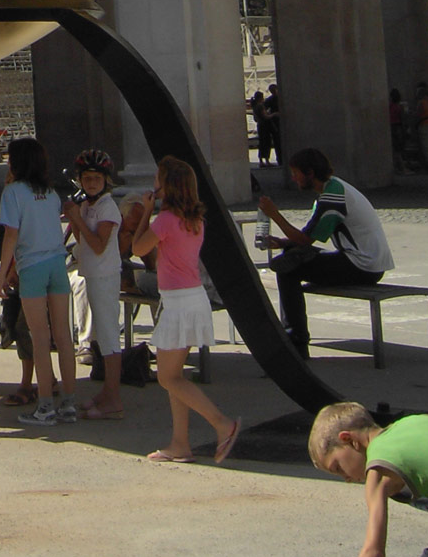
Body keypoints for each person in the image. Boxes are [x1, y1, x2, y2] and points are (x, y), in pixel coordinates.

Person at [131, 155, 240, 464]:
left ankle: (222, 423)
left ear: (167, 186)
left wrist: (146, 211)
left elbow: (138, 248)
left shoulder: (166, 219)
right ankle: (180, 443)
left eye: (159, 178)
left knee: (168, 378)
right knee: (175, 376)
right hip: (191, 299)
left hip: (179, 303)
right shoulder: (195, 219)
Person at [258, 146, 393, 360]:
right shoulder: (332, 189)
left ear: (310, 173)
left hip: (363, 266)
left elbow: (305, 239)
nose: (293, 178)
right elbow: (309, 236)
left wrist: (274, 214)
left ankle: (297, 341)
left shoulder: (333, 197)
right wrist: (284, 243)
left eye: (295, 173)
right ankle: (295, 337)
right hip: (362, 261)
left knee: (287, 269)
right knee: (292, 253)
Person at [0, 137, 76, 429]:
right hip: (57, 263)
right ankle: (68, 403)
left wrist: (2, 272)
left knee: (39, 338)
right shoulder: (51, 193)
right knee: (63, 336)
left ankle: (45, 406)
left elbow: (11, 234)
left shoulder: (12, 192)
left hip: (32, 266)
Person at [309, 400, 428, 557]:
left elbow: (373, 553)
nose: (346, 479)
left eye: (338, 467)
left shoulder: (378, 468)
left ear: (348, 439)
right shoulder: (411, 422)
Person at [63, 147, 124, 420]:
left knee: (109, 336)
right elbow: (82, 238)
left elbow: (99, 246)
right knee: (101, 333)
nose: (90, 183)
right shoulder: (89, 206)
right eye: (86, 178)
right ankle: (107, 392)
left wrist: (77, 218)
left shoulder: (107, 207)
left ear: (105, 180)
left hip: (104, 275)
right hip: (92, 274)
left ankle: (114, 397)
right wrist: (76, 218)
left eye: (96, 178)